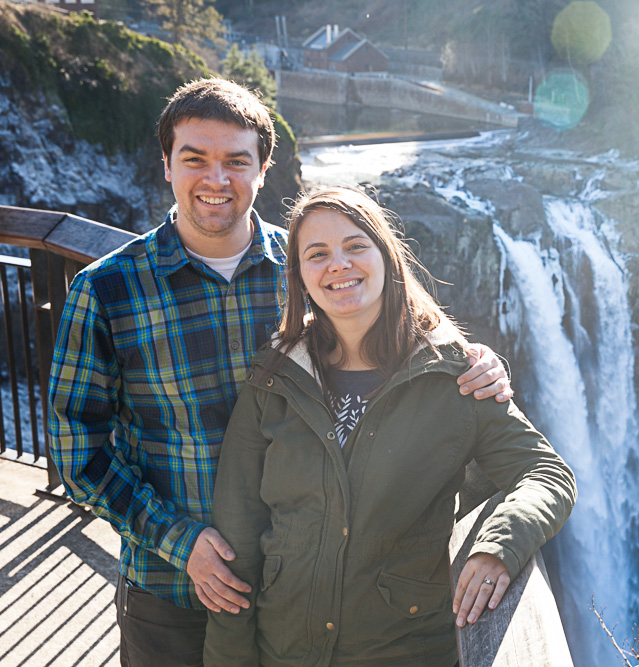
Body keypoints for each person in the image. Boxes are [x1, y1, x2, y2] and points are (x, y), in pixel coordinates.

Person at [47, 78, 512, 667]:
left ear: (263, 170)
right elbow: (76, 447)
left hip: (293, 597)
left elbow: (398, 330)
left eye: (237, 161)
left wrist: (469, 356)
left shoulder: (310, 271)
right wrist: (177, 540)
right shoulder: (107, 290)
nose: (217, 179)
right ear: (166, 165)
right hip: (170, 592)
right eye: (195, 159)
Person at [203, 188, 576, 666]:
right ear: (299, 276)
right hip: (284, 650)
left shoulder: (453, 375)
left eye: (356, 246)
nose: (338, 263)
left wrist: (499, 545)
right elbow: (237, 533)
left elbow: (547, 472)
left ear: (386, 255)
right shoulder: (274, 378)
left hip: (402, 651)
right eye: (317, 254)